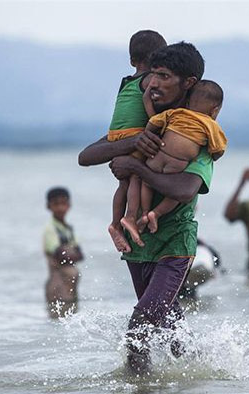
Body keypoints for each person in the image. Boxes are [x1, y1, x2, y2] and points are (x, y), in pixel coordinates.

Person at [77, 41, 209, 375]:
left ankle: (138, 385)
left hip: (174, 243)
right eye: (152, 76)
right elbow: (86, 156)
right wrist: (132, 143)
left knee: (141, 323)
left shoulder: (196, 131)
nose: (152, 83)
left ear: (188, 83)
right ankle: (200, 373)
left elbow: (186, 187)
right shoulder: (144, 125)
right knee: (168, 322)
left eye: (164, 76)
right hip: (139, 246)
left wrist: (136, 168)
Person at [121, 80, 227, 242]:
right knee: (175, 194)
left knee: (146, 182)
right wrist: (213, 155)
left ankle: (143, 213)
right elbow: (218, 149)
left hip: (158, 157)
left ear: (188, 101)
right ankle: (155, 214)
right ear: (215, 111)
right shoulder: (211, 125)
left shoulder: (176, 113)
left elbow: (153, 123)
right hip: (177, 165)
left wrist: (149, 136)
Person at [106, 30, 167, 254]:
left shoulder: (126, 81)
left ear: (132, 60)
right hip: (134, 135)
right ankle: (131, 217)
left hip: (115, 136)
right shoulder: (151, 80)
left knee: (123, 183)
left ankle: (115, 223)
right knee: (137, 176)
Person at [42, 187, 84, 318]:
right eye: (56, 204)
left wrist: (70, 253)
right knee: (58, 325)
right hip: (58, 288)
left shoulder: (68, 229)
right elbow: (60, 255)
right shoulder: (50, 229)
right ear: (48, 206)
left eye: (63, 203)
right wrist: (71, 253)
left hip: (70, 289)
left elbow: (80, 255)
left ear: (69, 205)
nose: (60, 208)